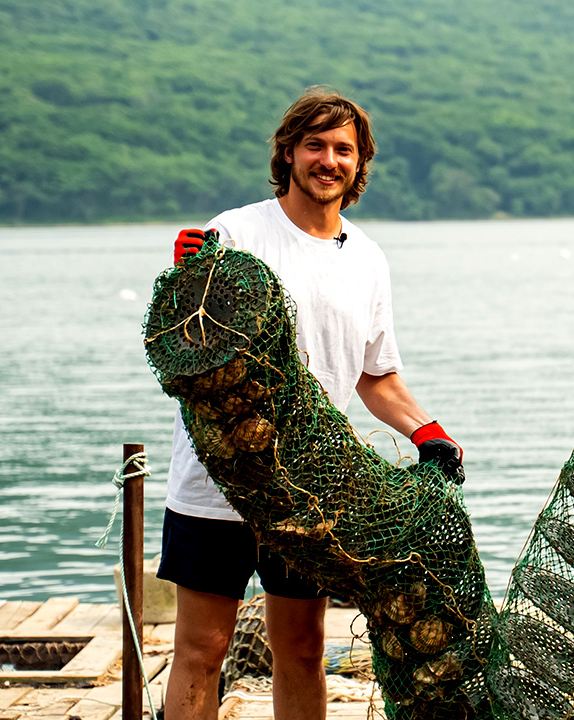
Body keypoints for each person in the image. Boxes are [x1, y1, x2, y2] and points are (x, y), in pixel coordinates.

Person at [160, 87, 463, 720]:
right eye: (315, 145)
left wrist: (426, 430)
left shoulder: (368, 259)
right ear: (289, 153)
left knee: (301, 645)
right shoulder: (234, 232)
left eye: (343, 149)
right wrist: (189, 275)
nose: (329, 160)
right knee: (203, 645)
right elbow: (189, 343)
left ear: (360, 163)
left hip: (308, 488)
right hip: (214, 480)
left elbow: (376, 378)